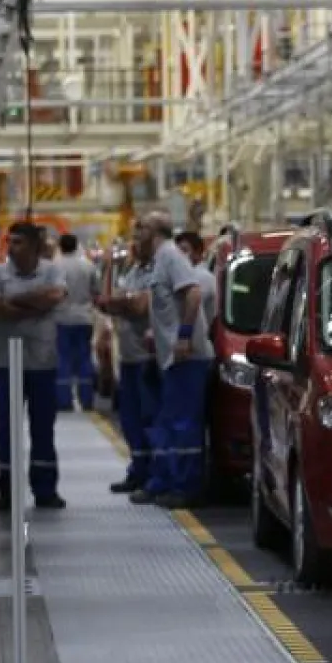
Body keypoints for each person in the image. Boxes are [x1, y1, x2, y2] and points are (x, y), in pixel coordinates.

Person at [0, 222, 68, 512]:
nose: (12, 247)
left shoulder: (52, 270)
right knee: (7, 429)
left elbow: (54, 297)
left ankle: (45, 490)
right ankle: (7, 490)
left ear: (32, 245)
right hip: (7, 364)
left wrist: (13, 302)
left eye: (18, 242)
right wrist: (34, 302)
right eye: (10, 241)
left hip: (42, 362)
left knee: (43, 428)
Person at [129, 212, 215, 509]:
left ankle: (185, 487)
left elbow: (192, 294)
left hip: (188, 357)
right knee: (168, 422)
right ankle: (163, 481)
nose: (135, 232)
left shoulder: (171, 256)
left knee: (184, 424)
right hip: (171, 358)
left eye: (141, 227)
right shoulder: (158, 261)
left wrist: (184, 336)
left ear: (156, 232)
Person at [96, 239, 160, 494]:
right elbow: (105, 301)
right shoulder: (132, 273)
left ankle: (155, 476)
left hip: (148, 357)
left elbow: (139, 305)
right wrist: (111, 266)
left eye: (142, 235)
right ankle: (138, 471)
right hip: (128, 357)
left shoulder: (157, 271)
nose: (136, 242)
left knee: (150, 419)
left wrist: (121, 304)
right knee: (130, 419)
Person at [53, 232, 101, 412]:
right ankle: (86, 400)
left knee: (63, 358)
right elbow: (96, 291)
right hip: (84, 318)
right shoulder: (88, 266)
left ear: (61, 246)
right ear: (76, 245)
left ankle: (64, 401)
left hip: (61, 318)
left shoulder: (55, 267)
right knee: (84, 358)